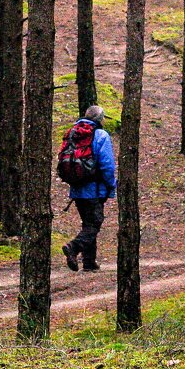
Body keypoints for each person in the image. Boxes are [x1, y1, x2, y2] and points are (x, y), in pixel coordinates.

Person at [61, 105, 117, 272]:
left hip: (77, 188)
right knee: (94, 223)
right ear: (100, 119)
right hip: (94, 188)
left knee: (88, 223)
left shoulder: (73, 133)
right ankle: (73, 247)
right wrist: (111, 186)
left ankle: (89, 262)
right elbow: (107, 165)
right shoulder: (100, 135)